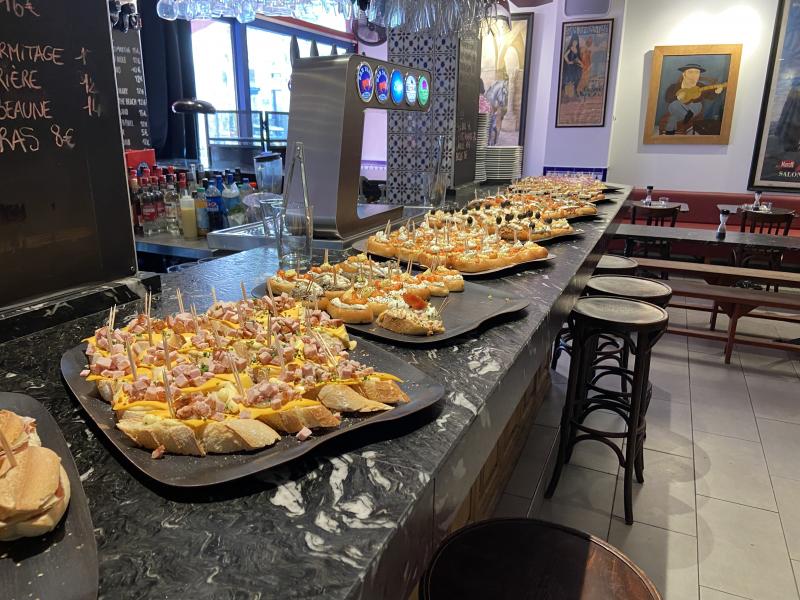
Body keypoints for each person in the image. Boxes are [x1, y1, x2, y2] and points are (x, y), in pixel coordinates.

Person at [662, 63, 725, 135]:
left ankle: (673, 128)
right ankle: (686, 117)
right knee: (673, 105)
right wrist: (677, 97)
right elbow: (667, 98)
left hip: (694, 108)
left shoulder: (700, 86)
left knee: (697, 104)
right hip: (678, 108)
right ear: (684, 74)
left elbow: (710, 96)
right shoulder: (674, 87)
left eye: (697, 72)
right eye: (690, 72)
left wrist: (717, 92)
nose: (694, 75)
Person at [562, 34, 583, 99]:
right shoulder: (570, 48)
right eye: (574, 41)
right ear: (572, 41)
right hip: (570, 66)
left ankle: (575, 91)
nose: (575, 43)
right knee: (568, 79)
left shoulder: (577, 49)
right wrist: (568, 62)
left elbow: (578, 58)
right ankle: (565, 93)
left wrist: (581, 63)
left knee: (579, 73)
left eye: (576, 42)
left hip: (575, 65)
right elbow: (564, 56)